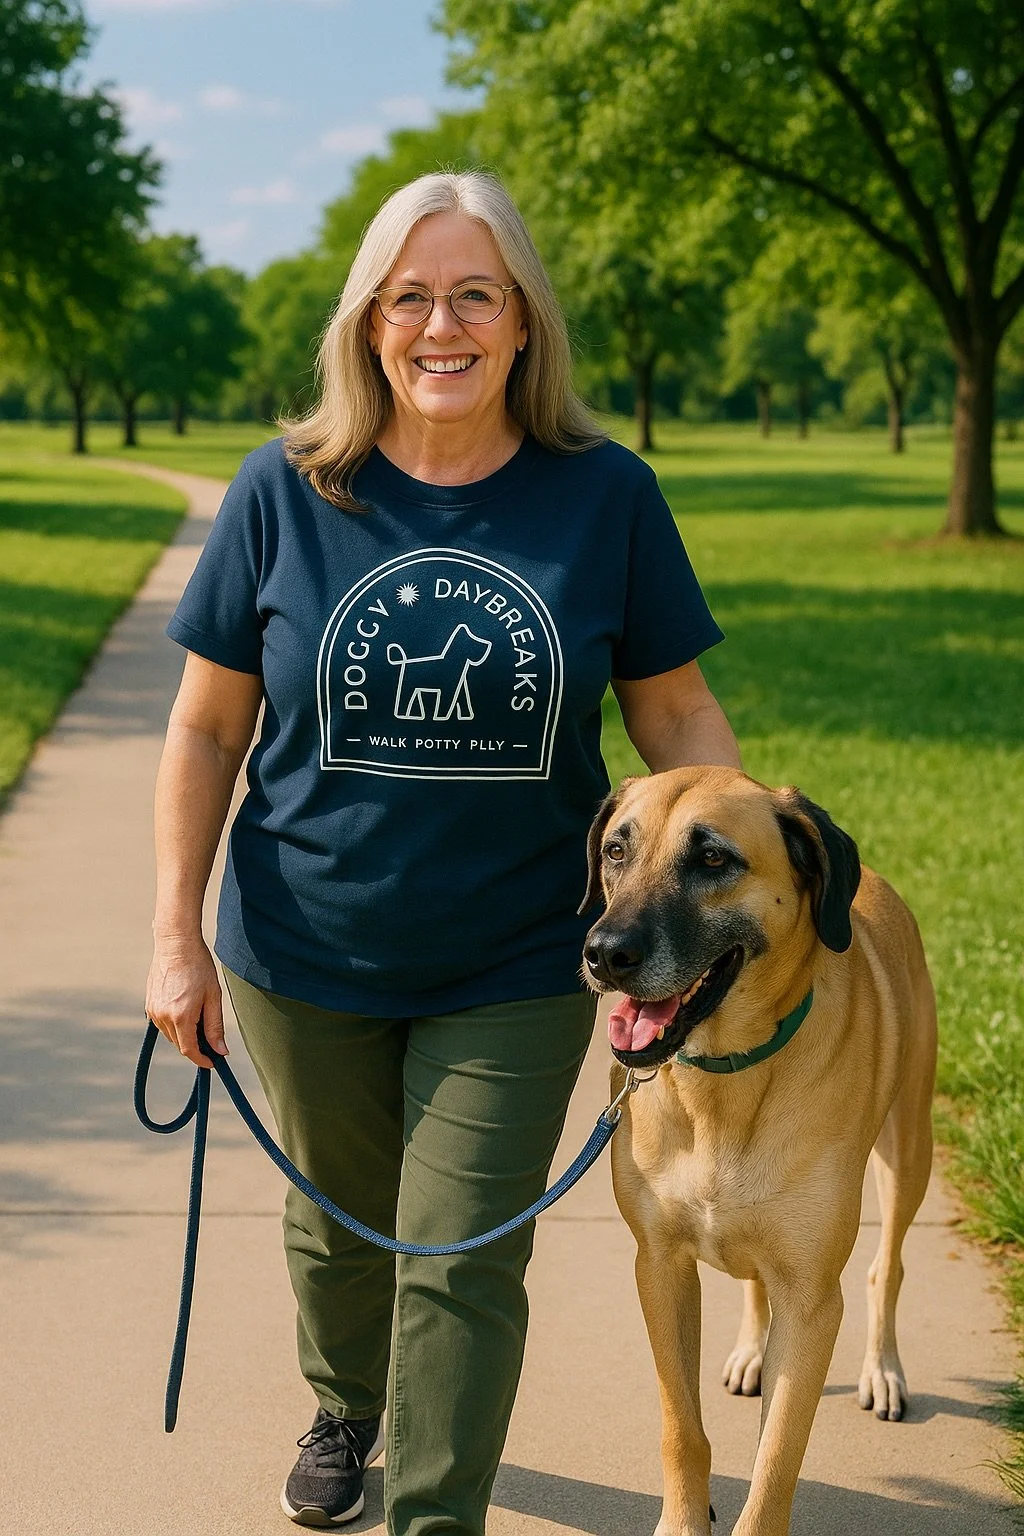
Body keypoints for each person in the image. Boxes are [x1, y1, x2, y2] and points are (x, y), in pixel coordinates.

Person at [145, 170, 741, 1536]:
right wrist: (175, 934)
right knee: (341, 1230)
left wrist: (730, 896)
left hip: (522, 957)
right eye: (409, 296)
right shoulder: (286, 492)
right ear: (368, 325)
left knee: (464, 1258)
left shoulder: (605, 497)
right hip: (303, 949)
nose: (441, 324)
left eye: (476, 293)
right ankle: (346, 1399)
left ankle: (431, 1516)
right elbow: (203, 730)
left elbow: (676, 714)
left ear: (524, 322)